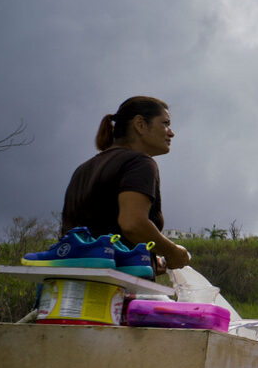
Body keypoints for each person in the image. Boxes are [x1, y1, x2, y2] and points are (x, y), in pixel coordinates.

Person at [60, 96, 191, 272]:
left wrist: (149, 260)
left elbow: (93, 234)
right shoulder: (140, 163)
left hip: (67, 283)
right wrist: (173, 252)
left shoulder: (83, 169)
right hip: (111, 291)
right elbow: (133, 224)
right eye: (165, 123)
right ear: (140, 124)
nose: (171, 132)